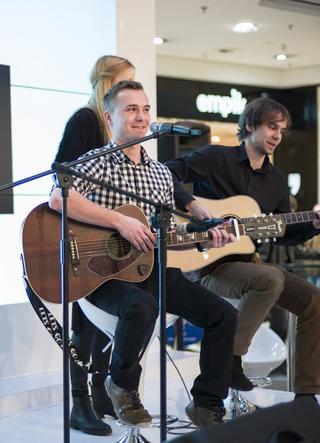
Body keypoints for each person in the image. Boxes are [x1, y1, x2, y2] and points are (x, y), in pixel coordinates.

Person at [49, 80, 239, 428]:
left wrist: (202, 241)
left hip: (151, 269)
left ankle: (207, 404)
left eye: (145, 109)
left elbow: (163, 237)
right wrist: (119, 221)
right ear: (109, 117)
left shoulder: (161, 174)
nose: (141, 116)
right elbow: (60, 198)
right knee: (141, 306)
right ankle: (121, 384)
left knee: (223, 316)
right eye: (131, 109)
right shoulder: (96, 163)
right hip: (102, 272)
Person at [165, 96, 320, 400]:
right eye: (272, 127)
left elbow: (285, 232)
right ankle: (230, 359)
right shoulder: (216, 159)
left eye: (282, 130)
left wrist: (316, 224)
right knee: (270, 278)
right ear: (249, 125)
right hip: (208, 265)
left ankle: (306, 396)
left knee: (315, 299)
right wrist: (193, 205)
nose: (277, 136)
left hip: (249, 263)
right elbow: (166, 172)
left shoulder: (275, 179)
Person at [54, 55, 135, 436]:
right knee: (83, 324)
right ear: (108, 84)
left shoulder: (118, 132)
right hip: (82, 237)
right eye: (125, 82)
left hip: (108, 240)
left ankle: (102, 395)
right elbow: (62, 175)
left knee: (105, 322)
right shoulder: (86, 120)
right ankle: (80, 403)